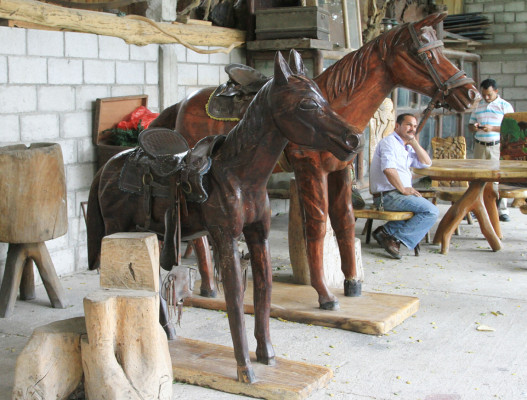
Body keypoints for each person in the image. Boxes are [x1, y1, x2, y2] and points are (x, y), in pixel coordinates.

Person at [370, 113, 439, 259]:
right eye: (408, 125)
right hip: (388, 195)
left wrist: (414, 142)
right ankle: (395, 240)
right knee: (430, 211)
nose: (412, 128)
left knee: (421, 207)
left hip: (397, 194)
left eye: (414, 126)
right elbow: (388, 169)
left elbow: (427, 163)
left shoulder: (405, 147)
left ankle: (386, 232)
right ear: (397, 126)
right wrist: (403, 188)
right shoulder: (389, 143)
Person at [468, 78, 514, 222]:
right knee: (478, 177)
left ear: (496, 91)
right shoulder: (478, 105)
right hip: (480, 144)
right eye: (484, 94)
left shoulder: (505, 106)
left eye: (489, 94)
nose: (486, 97)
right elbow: (469, 125)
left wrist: (492, 128)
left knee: (497, 178)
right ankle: (477, 208)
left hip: (497, 145)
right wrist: (474, 127)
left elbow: (512, 128)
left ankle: (501, 210)